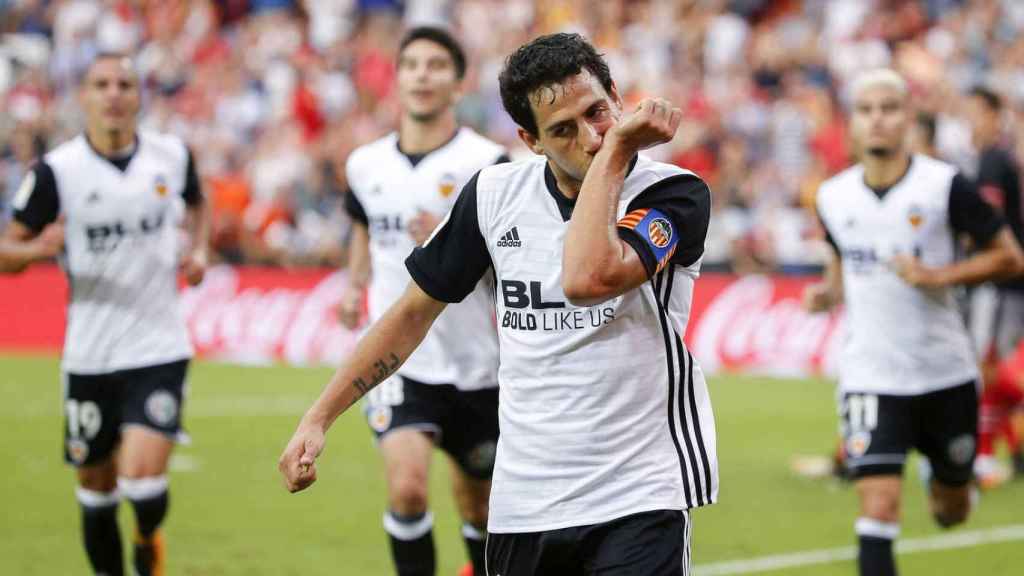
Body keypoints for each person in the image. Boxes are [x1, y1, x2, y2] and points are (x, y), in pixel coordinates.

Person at [281, 32, 717, 576]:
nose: (591, 137)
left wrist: (617, 152)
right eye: (562, 130)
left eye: (598, 112)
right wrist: (318, 418)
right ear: (530, 141)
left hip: (639, 492)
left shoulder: (673, 194)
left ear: (618, 98)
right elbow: (412, 311)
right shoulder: (493, 196)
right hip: (524, 501)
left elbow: (588, 275)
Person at [804, 69, 1024, 576]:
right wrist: (826, 294)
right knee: (877, 507)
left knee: (952, 511)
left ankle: (944, 476)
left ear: (909, 118)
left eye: (889, 108)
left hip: (944, 373)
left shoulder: (945, 187)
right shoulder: (833, 196)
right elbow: (840, 267)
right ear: (852, 122)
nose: (877, 119)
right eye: (866, 110)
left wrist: (939, 274)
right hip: (870, 376)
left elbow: (1010, 256)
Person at [0, 53, 209, 576]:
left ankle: (146, 536)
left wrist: (199, 251)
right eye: (102, 84)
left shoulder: (172, 156)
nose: (114, 93)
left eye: (124, 84)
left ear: (139, 95)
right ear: (84, 97)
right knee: (95, 491)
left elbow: (199, 204)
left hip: (159, 345)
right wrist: (38, 249)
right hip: (89, 353)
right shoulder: (56, 173)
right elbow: (8, 253)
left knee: (142, 482)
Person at [336, 26, 507, 576]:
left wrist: (457, 237)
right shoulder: (365, 164)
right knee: (407, 490)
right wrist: (354, 284)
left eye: (436, 66)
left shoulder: (490, 163)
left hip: (476, 363)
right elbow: (363, 224)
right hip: (401, 361)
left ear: (458, 84)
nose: (422, 75)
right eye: (411, 65)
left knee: (480, 508)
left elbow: (516, 256)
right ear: (398, 79)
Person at [964, 86, 1024, 484]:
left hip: (1000, 279)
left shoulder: (993, 161)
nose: (967, 122)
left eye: (973, 113)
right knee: (995, 369)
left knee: (990, 367)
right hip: (1007, 280)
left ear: (991, 115)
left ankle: (984, 455)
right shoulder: (1000, 161)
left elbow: (991, 225)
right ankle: (1013, 452)